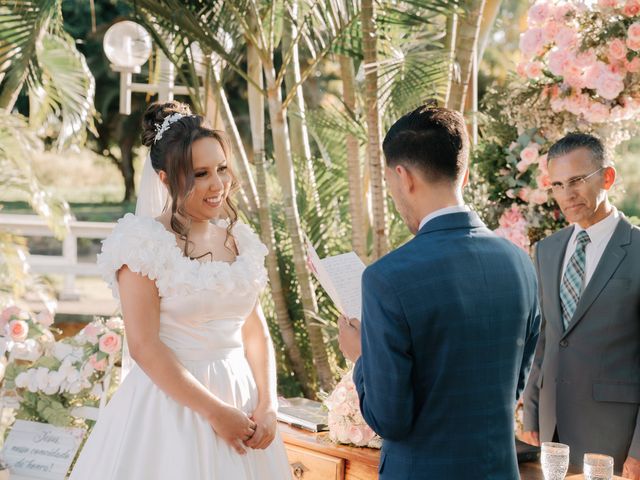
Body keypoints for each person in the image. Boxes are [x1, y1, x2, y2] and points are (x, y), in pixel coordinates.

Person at [70, 101, 292, 479]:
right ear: (164, 179)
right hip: (171, 409)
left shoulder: (240, 238)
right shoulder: (142, 244)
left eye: (221, 169)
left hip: (244, 404)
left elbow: (254, 329)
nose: (218, 184)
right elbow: (144, 346)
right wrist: (214, 412)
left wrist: (268, 404)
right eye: (200, 173)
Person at [337, 105, 540, 479]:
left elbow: (389, 420)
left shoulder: (387, 278)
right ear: (461, 174)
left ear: (404, 176)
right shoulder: (521, 264)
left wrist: (360, 357)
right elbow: (513, 387)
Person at [521, 133, 640, 479]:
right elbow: (544, 336)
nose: (567, 194)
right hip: (552, 428)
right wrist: (531, 412)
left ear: (607, 177)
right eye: (557, 184)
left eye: (576, 181)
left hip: (614, 436)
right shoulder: (547, 250)